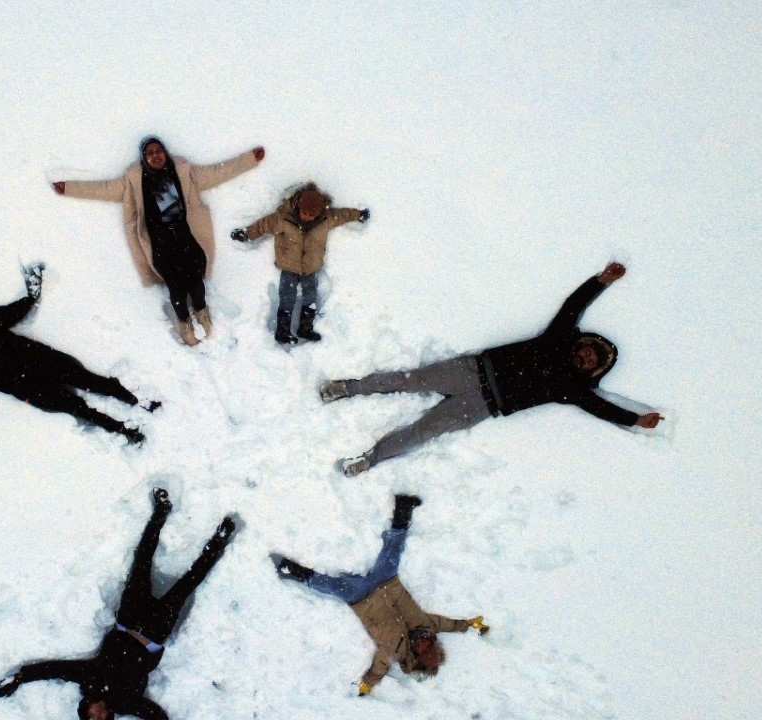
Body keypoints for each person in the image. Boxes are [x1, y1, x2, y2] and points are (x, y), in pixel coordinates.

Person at [322, 263, 663, 476]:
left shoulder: (575, 390)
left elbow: (601, 408)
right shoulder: (559, 338)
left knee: (422, 432)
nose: (586, 359)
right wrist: (601, 281)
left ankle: (370, 460)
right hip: (471, 371)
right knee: (406, 381)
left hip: (482, 407)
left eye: (591, 363)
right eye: (588, 351)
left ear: (592, 371)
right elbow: (574, 307)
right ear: (583, 344)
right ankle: (347, 388)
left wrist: (635, 420)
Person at [0, 488, 237, 720]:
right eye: (102, 719)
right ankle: (219, 540)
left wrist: (20, 677)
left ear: (85, 711)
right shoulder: (126, 703)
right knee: (186, 585)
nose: (98, 714)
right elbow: (156, 716)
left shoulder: (90, 680)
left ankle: (161, 511)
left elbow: (55, 669)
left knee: (141, 564)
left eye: (92, 717)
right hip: (154, 632)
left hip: (128, 619)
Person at [0, 264, 154, 460]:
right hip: (27, 387)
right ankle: (126, 431)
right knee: (77, 408)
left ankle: (138, 400)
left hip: (39, 359)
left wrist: (30, 298)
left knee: (90, 381)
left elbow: (8, 314)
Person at [52, 137, 265, 346]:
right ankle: (184, 321)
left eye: (158, 151)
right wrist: (69, 188)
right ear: (144, 158)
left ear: (165, 152)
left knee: (196, 282)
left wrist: (249, 160)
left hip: (186, 238)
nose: (155, 156)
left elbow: (218, 172)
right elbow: (105, 189)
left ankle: (201, 309)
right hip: (160, 244)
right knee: (176, 288)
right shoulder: (134, 180)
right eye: (150, 153)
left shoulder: (183, 170)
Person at [270, 495, 489, 695]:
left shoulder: (394, 651)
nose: (424, 642)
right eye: (429, 644)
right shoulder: (429, 626)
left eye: (422, 649)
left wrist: (367, 684)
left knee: (335, 586)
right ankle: (403, 507)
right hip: (388, 582)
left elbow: (379, 668)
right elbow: (448, 624)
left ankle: (294, 572)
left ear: (416, 657)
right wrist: (469, 624)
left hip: (364, 599)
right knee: (393, 553)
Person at [230, 182, 368, 345]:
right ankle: (282, 331)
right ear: (298, 206)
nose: (307, 217)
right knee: (287, 297)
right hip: (289, 266)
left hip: (311, 268)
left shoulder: (326, 219)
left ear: (319, 213)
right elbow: (264, 225)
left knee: (310, 296)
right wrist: (246, 234)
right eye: (304, 213)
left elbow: (342, 215)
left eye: (312, 215)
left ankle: (305, 328)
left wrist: (358, 214)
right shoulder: (283, 218)